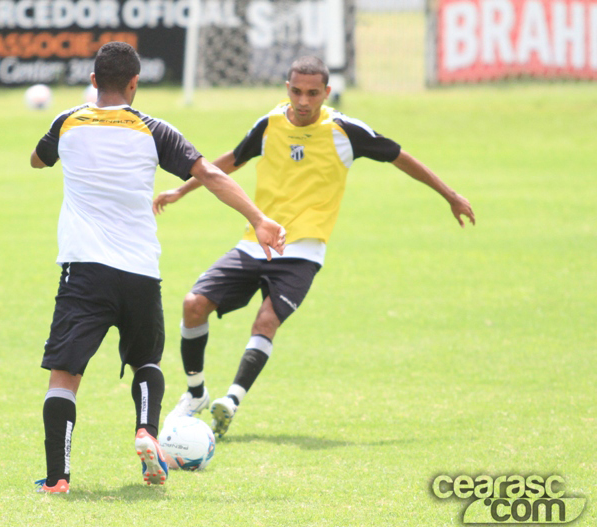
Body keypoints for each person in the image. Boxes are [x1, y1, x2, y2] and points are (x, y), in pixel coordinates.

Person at [154, 56, 475, 439]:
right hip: (255, 244)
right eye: (296, 91)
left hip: (303, 252)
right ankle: (196, 393)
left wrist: (450, 195)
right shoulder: (270, 124)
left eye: (312, 93)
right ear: (286, 88)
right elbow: (231, 161)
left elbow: (399, 157)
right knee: (193, 305)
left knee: (266, 322)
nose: (303, 100)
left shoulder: (345, 130)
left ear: (326, 92)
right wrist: (181, 189)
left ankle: (232, 400)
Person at [29, 42, 286, 494]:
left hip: (84, 270)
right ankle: (146, 431)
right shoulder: (154, 130)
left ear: (93, 81)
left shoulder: (67, 121)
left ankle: (57, 479)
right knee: (146, 360)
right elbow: (209, 174)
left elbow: (37, 159)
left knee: (65, 375)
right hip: (140, 271)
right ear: (134, 84)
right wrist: (258, 218)